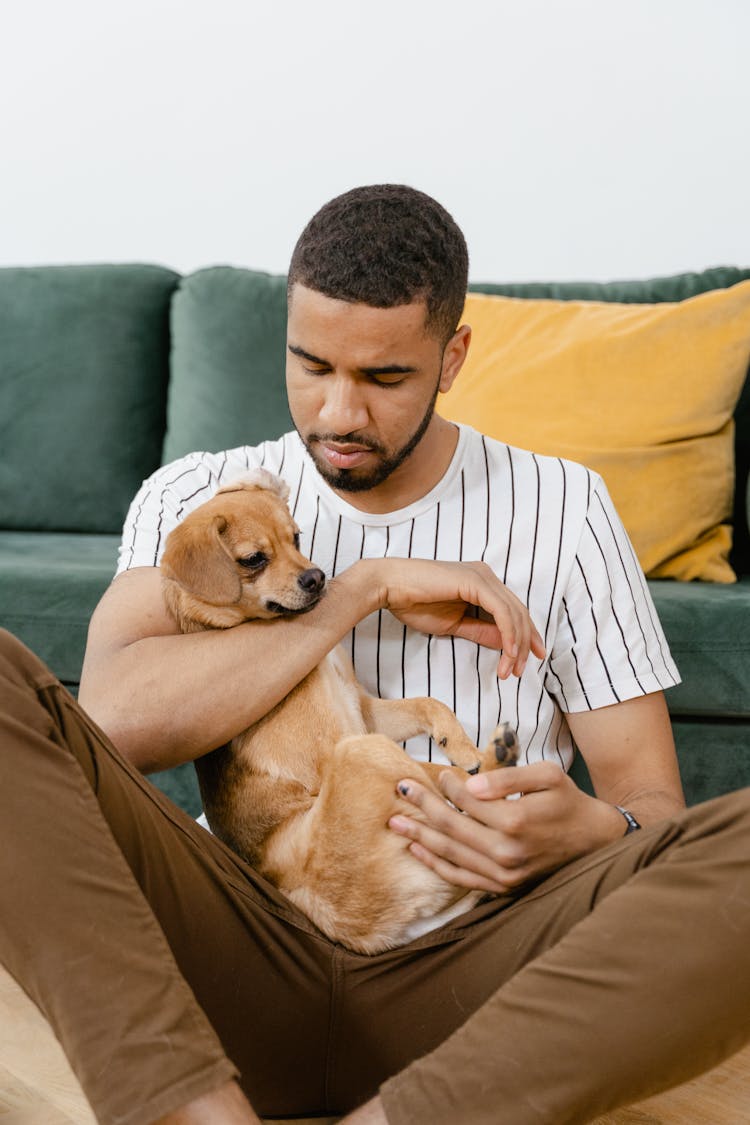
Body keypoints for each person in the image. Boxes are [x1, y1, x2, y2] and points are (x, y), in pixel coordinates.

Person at [1, 184, 748, 1125]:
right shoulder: (197, 500)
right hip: (249, 939)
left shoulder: (564, 510)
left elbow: (656, 809)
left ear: (453, 357)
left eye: (385, 378)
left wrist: (595, 831)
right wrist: (362, 587)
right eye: (310, 365)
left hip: (480, 959)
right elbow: (109, 727)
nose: (339, 412)